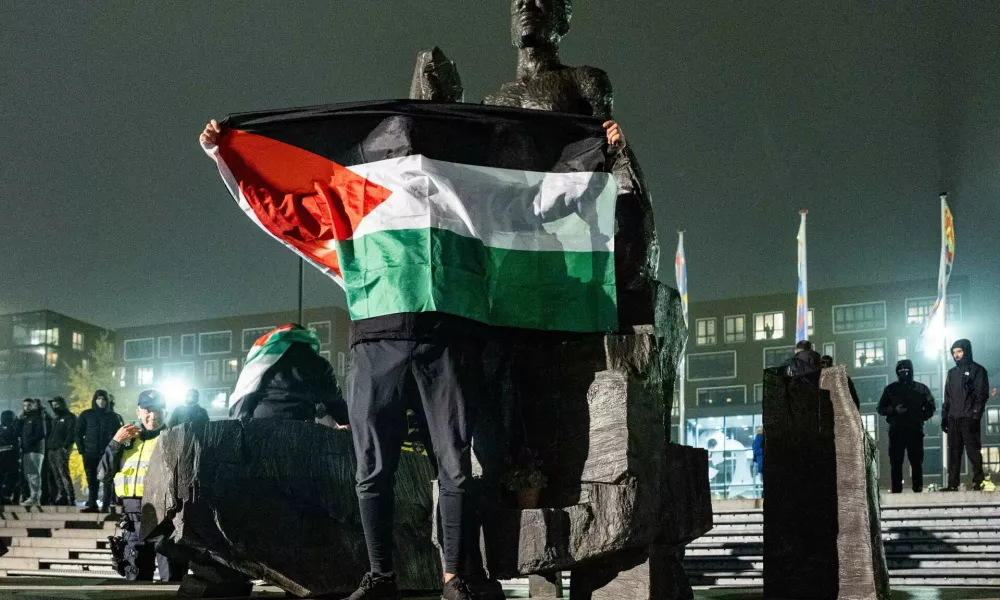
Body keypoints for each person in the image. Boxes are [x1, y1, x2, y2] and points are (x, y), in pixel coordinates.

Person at [98, 389, 188, 582]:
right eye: (147, 410)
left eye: (158, 410)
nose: (153, 415)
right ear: (138, 411)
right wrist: (115, 442)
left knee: (172, 581)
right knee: (136, 583)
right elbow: (103, 474)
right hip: (133, 521)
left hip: (165, 521)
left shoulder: (173, 437)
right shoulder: (127, 439)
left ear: (165, 412)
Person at [228, 324, 348, 424]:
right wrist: (347, 420)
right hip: (301, 427)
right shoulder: (320, 364)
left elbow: (244, 397)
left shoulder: (262, 360)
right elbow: (334, 402)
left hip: (262, 426)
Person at [877, 360, 936, 493]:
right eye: (901, 370)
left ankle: (917, 487)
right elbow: (880, 408)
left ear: (911, 371)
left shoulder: (920, 389)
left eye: (906, 370)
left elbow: (931, 407)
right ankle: (897, 488)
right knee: (896, 461)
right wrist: (893, 409)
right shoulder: (891, 389)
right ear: (897, 372)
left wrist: (919, 415)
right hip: (897, 430)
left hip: (914, 429)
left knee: (916, 461)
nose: (904, 373)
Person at [942, 339, 990, 491]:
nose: (956, 355)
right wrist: (945, 417)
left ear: (966, 351)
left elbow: (981, 394)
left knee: (973, 450)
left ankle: (979, 481)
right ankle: (952, 484)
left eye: (959, 351)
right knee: (954, 452)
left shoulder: (978, 370)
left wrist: (976, 415)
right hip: (953, 418)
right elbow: (947, 397)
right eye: (954, 352)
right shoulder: (951, 373)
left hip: (969, 417)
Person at [76, 389, 123, 512]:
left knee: (107, 479)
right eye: (99, 399)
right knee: (91, 480)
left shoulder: (113, 417)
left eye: (103, 399)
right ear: (95, 400)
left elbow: (119, 435)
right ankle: (92, 505)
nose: (101, 401)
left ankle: (106, 506)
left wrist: (115, 451)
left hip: (107, 453)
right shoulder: (86, 414)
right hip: (90, 453)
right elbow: (77, 433)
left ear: (107, 401)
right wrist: (82, 450)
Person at [16, 398, 50, 507]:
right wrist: (19, 420)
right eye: (25, 405)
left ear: (33, 405)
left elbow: (41, 433)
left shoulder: (38, 417)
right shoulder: (25, 418)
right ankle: (32, 496)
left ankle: (35, 497)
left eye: (29, 405)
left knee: (34, 474)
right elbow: (17, 431)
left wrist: (29, 443)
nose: (26, 407)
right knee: (28, 474)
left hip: (35, 450)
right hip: (26, 450)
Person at [46, 397, 77, 506]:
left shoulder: (70, 417)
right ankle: (63, 496)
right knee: (56, 475)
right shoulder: (56, 418)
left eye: (57, 404)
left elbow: (72, 433)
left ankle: (70, 497)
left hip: (61, 449)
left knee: (63, 473)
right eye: (53, 405)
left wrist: (65, 447)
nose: (55, 407)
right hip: (52, 449)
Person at [0, 411, 20, 505]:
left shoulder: (15, 428)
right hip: (6, 456)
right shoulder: (12, 428)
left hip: (12, 456)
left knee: (14, 476)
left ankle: (7, 496)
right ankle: (5, 496)